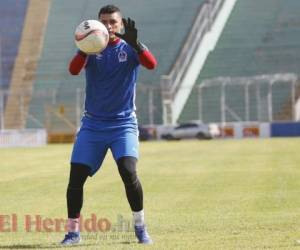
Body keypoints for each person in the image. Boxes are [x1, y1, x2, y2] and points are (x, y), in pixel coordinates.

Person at [60, 4, 157, 245]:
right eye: (104, 22)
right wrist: (84, 48)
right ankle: (73, 233)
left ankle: (140, 227)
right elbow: (73, 71)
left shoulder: (129, 48)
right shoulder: (91, 49)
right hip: (92, 125)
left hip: (123, 124)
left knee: (128, 171)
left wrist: (137, 44)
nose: (109, 26)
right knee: (75, 179)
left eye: (113, 22)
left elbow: (151, 64)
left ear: (121, 24)